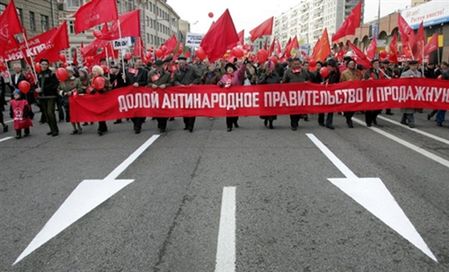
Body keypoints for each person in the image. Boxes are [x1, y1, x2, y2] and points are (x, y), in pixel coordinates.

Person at [174, 56, 202, 132]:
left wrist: (193, 83)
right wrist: (179, 84)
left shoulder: (192, 69)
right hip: (182, 93)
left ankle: (191, 126)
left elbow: (199, 77)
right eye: (180, 63)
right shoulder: (177, 71)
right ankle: (186, 124)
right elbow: (174, 80)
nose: (181, 64)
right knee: (184, 110)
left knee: (192, 109)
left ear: (186, 62)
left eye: (183, 62)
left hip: (192, 92)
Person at [282, 58, 310, 131]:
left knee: (299, 110)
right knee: (293, 110)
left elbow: (308, 79)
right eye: (295, 64)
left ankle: (296, 120)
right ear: (292, 64)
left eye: (298, 64)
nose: (297, 65)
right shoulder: (288, 72)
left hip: (301, 94)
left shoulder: (304, 71)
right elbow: (284, 82)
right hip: (292, 95)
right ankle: (293, 124)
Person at [218, 61, 245, 131]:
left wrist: (243, 64)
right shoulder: (224, 76)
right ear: (226, 70)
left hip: (236, 97)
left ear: (233, 69)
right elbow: (220, 82)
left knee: (236, 111)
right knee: (229, 112)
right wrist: (220, 83)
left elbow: (241, 72)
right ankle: (229, 126)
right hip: (228, 98)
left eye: (231, 68)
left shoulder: (237, 74)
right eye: (228, 68)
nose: (230, 69)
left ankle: (235, 121)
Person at [36, 59, 59, 136]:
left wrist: (43, 89)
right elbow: (37, 85)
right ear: (40, 65)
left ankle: (55, 130)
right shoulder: (38, 74)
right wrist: (36, 88)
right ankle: (51, 129)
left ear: (48, 65)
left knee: (50, 113)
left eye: (46, 64)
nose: (44, 65)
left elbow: (55, 84)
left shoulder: (52, 73)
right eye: (42, 64)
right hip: (42, 97)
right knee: (46, 114)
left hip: (51, 96)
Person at [149, 59, 172, 133]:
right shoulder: (151, 73)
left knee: (164, 111)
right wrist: (151, 85)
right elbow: (148, 83)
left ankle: (163, 126)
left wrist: (165, 85)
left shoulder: (167, 74)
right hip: (155, 95)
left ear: (162, 66)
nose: (158, 67)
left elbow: (171, 83)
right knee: (157, 111)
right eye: (157, 66)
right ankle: (160, 122)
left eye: (159, 66)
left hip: (164, 95)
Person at [126, 57, 148, 134]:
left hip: (140, 93)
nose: (139, 63)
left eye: (140, 62)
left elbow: (146, 81)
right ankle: (135, 122)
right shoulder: (128, 71)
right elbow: (126, 82)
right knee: (131, 110)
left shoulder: (144, 71)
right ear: (134, 62)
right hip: (131, 93)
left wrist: (139, 84)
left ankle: (137, 126)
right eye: (138, 62)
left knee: (139, 109)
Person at [58, 67, 82, 134]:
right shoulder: (62, 81)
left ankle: (79, 126)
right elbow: (58, 89)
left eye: (69, 72)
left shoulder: (77, 80)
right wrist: (63, 92)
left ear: (72, 72)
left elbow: (80, 89)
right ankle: (74, 128)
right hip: (66, 100)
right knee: (70, 114)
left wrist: (73, 92)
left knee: (76, 114)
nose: (68, 73)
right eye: (67, 72)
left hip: (75, 100)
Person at [257, 61, 280, 129]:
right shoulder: (263, 74)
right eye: (268, 68)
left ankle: (271, 122)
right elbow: (259, 82)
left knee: (272, 110)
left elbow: (277, 82)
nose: (269, 70)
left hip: (273, 95)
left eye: (270, 68)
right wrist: (266, 76)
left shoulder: (276, 75)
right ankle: (266, 119)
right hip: (265, 96)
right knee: (266, 110)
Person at [340, 58, 362, 128]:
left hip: (356, 92)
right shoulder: (344, 73)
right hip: (348, 92)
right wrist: (347, 83)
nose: (352, 65)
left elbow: (361, 80)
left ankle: (349, 117)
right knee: (348, 107)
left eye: (353, 64)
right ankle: (349, 119)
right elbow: (341, 83)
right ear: (347, 65)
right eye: (350, 64)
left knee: (354, 107)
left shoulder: (358, 72)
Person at [400, 60, 422, 128]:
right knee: (409, 107)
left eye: (415, 65)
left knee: (412, 107)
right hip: (407, 93)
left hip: (415, 93)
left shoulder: (419, 73)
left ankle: (403, 119)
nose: (414, 67)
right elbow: (400, 83)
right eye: (412, 65)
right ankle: (411, 121)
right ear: (409, 66)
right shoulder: (405, 73)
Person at [364, 59, 385, 127]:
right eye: (375, 64)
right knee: (369, 108)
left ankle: (373, 118)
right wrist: (368, 80)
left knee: (379, 107)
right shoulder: (368, 72)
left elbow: (384, 79)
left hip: (379, 91)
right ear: (372, 65)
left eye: (378, 63)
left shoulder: (381, 71)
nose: (377, 65)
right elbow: (364, 80)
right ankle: (368, 121)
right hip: (370, 92)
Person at [90, 65, 111, 136]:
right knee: (98, 113)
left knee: (101, 112)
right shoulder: (92, 80)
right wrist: (91, 90)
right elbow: (90, 88)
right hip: (95, 98)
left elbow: (109, 88)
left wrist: (102, 89)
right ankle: (103, 126)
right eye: (93, 71)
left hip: (102, 97)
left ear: (99, 71)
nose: (94, 72)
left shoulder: (105, 79)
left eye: (95, 71)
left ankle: (101, 128)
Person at [318, 59, 339, 129]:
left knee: (331, 108)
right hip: (323, 92)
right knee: (322, 107)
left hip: (332, 92)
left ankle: (329, 123)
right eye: (328, 65)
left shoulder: (337, 73)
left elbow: (339, 82)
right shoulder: (323, 71)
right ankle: (320, 120)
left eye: (331, 66)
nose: (329, 67)